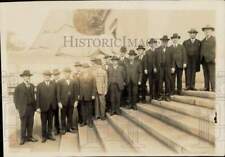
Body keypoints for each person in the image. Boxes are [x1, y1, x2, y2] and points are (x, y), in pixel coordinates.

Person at [13, 70, 38, 145]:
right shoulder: (19, 87)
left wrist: (35, 107)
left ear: (30, 77)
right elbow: (15, 98)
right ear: (23, 77)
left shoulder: (32, 86)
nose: (27, 78)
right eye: (26, 76)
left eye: (28, 76)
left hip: (31, 108)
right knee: (23, 124)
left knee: (30, 123)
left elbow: (34, 97)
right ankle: (22, 138)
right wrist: (18, 108)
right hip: (23, 108)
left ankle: (30, 137)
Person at [36, 70, 56, 143]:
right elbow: (37, 97)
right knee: (44, 122)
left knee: (50, 122)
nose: (47, 77)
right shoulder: (39, 85)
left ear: (50, 77)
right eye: (45, 76)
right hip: (43, 107)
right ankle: (44, 136)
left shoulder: (53, 84)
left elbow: (56, 95)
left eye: (48, 76)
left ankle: (50, 135)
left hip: (51, 107)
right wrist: (38, 107)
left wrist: (55, 105)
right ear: (43, 77)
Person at [57, 67, 78, 134]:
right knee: (63, 116)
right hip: (63, 102)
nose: (67, 74)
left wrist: (76, 101)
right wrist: (59, 102)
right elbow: (58, 93)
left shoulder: (73, 81)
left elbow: (76, 92)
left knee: (70, 115)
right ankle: (63, 128)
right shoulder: (60, 82)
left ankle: (69, 128)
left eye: (68, 73)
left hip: (71, 102)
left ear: (70, 74)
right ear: (64, 74)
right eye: (66, 73)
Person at [155, 35, 175, 101]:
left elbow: (173, 59)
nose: (164, 43)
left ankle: (167, 96)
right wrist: (155, 67)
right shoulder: (157, 50)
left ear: (167, 42)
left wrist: (173, 67)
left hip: (167, 68)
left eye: (166, 41)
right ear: (161, 42)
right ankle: (160, 95)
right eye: (163, 41)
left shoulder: (170, 50)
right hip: (160, 68)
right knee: (160, 82)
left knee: (167, 82)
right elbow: (154, 60)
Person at [78, 63, 96, 128]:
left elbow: (94, 86)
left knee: (89, 109)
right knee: (83, 109)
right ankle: (84, 121)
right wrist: (78, 94)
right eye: (84, 68)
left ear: (88, 68)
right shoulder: (80, 75)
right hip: (82, 95)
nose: (85, 69)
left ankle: (90, 122)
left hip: (89, 95)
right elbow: (78, 85)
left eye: (86, 68)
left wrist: (93, 94)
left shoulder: (92, 76)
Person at [200, 25, 216, 92]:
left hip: (211, 60)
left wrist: (216, 58)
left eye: (208, 31)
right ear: (204, 32)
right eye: (205, 31)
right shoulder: (202, 41)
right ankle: (206, 87)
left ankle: (213, 88)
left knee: (212, 74)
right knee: (205, 74)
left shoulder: (214, 40)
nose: (207, 32)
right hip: (204, 60)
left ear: (211, 31)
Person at [51, 69, 61, 135]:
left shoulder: (61, 82)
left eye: (57, 75)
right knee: (52, 116)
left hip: (60, 101)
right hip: (53, 102)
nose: (56, 76)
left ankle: (58, 128)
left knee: (58, 116)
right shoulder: (51, 82)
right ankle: (53, 129)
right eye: (55, 75)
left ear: (59, 75)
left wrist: (60, 101)